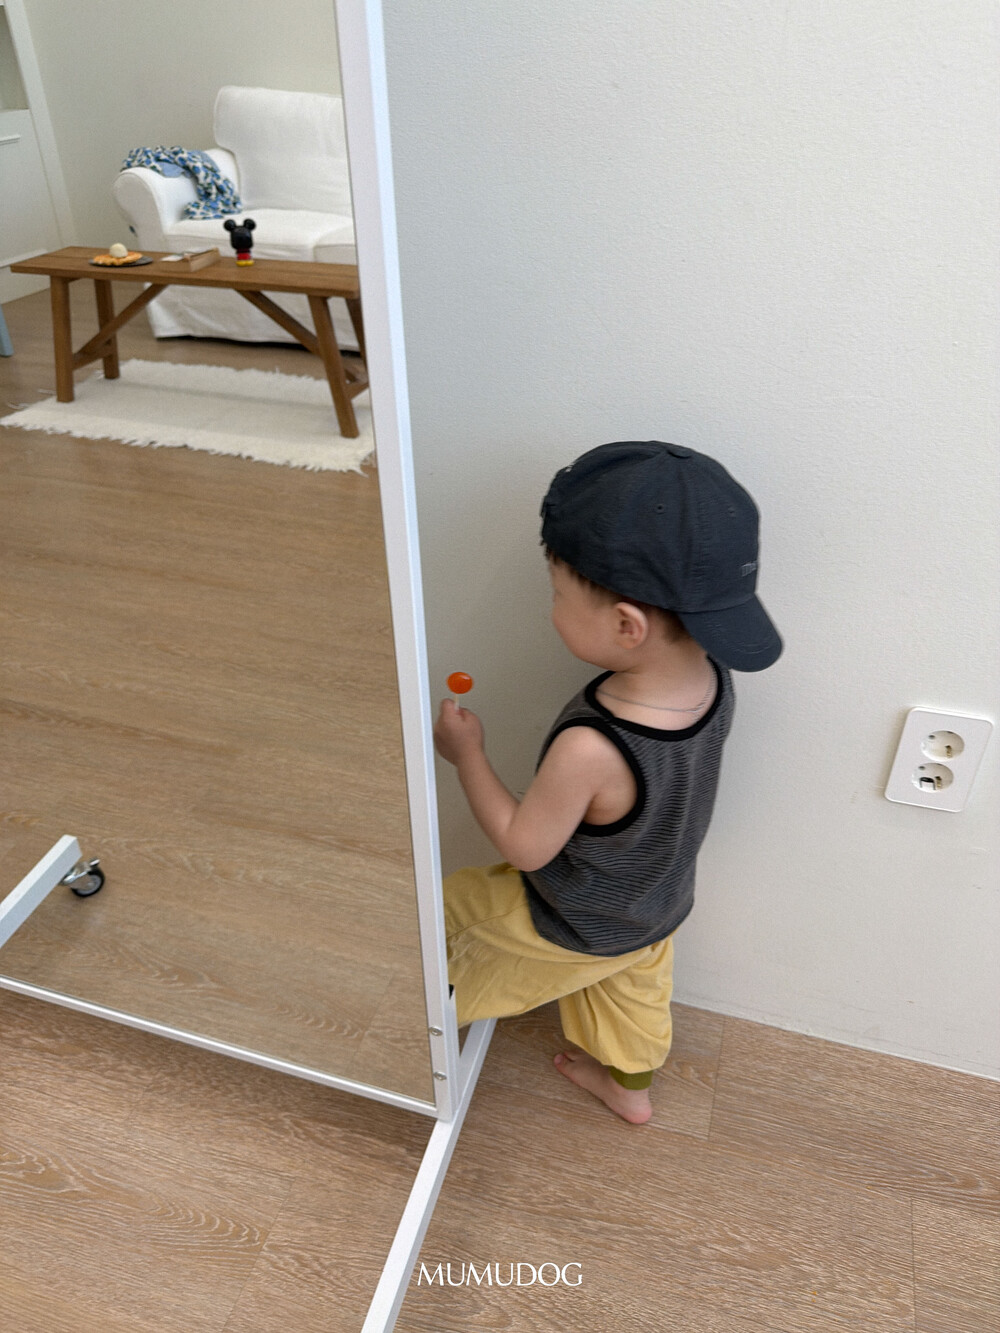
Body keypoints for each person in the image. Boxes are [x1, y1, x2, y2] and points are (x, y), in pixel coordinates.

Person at [433, 441, 782, 1124]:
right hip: (654, 905)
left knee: (447, 921)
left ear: (627, 625)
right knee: (633, 1000)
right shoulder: (714, 677)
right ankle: (630, 1090)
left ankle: (412, 1029)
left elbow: (525, 847)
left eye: (556, 594)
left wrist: (467, 754)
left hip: (566, 918)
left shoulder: (591, 747)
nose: (551, 607)